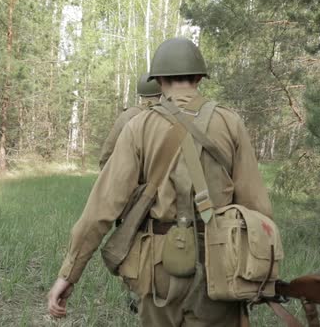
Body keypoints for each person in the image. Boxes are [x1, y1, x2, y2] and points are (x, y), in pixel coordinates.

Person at [48, 37, 272, 326]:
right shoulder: (230, 123)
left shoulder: (138, 126)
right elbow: (257, 208)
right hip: (220, 263)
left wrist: (68, 275)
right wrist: (260, 269)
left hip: (156, 268)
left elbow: (100, 210)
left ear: (159, 79)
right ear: (198, 77)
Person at [98, 74, 162, 169]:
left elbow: (108, 150)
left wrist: (105, 171)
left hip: (131, 177)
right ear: (161, 92)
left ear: (140, 93)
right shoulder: (170, 115)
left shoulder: (127, 115)